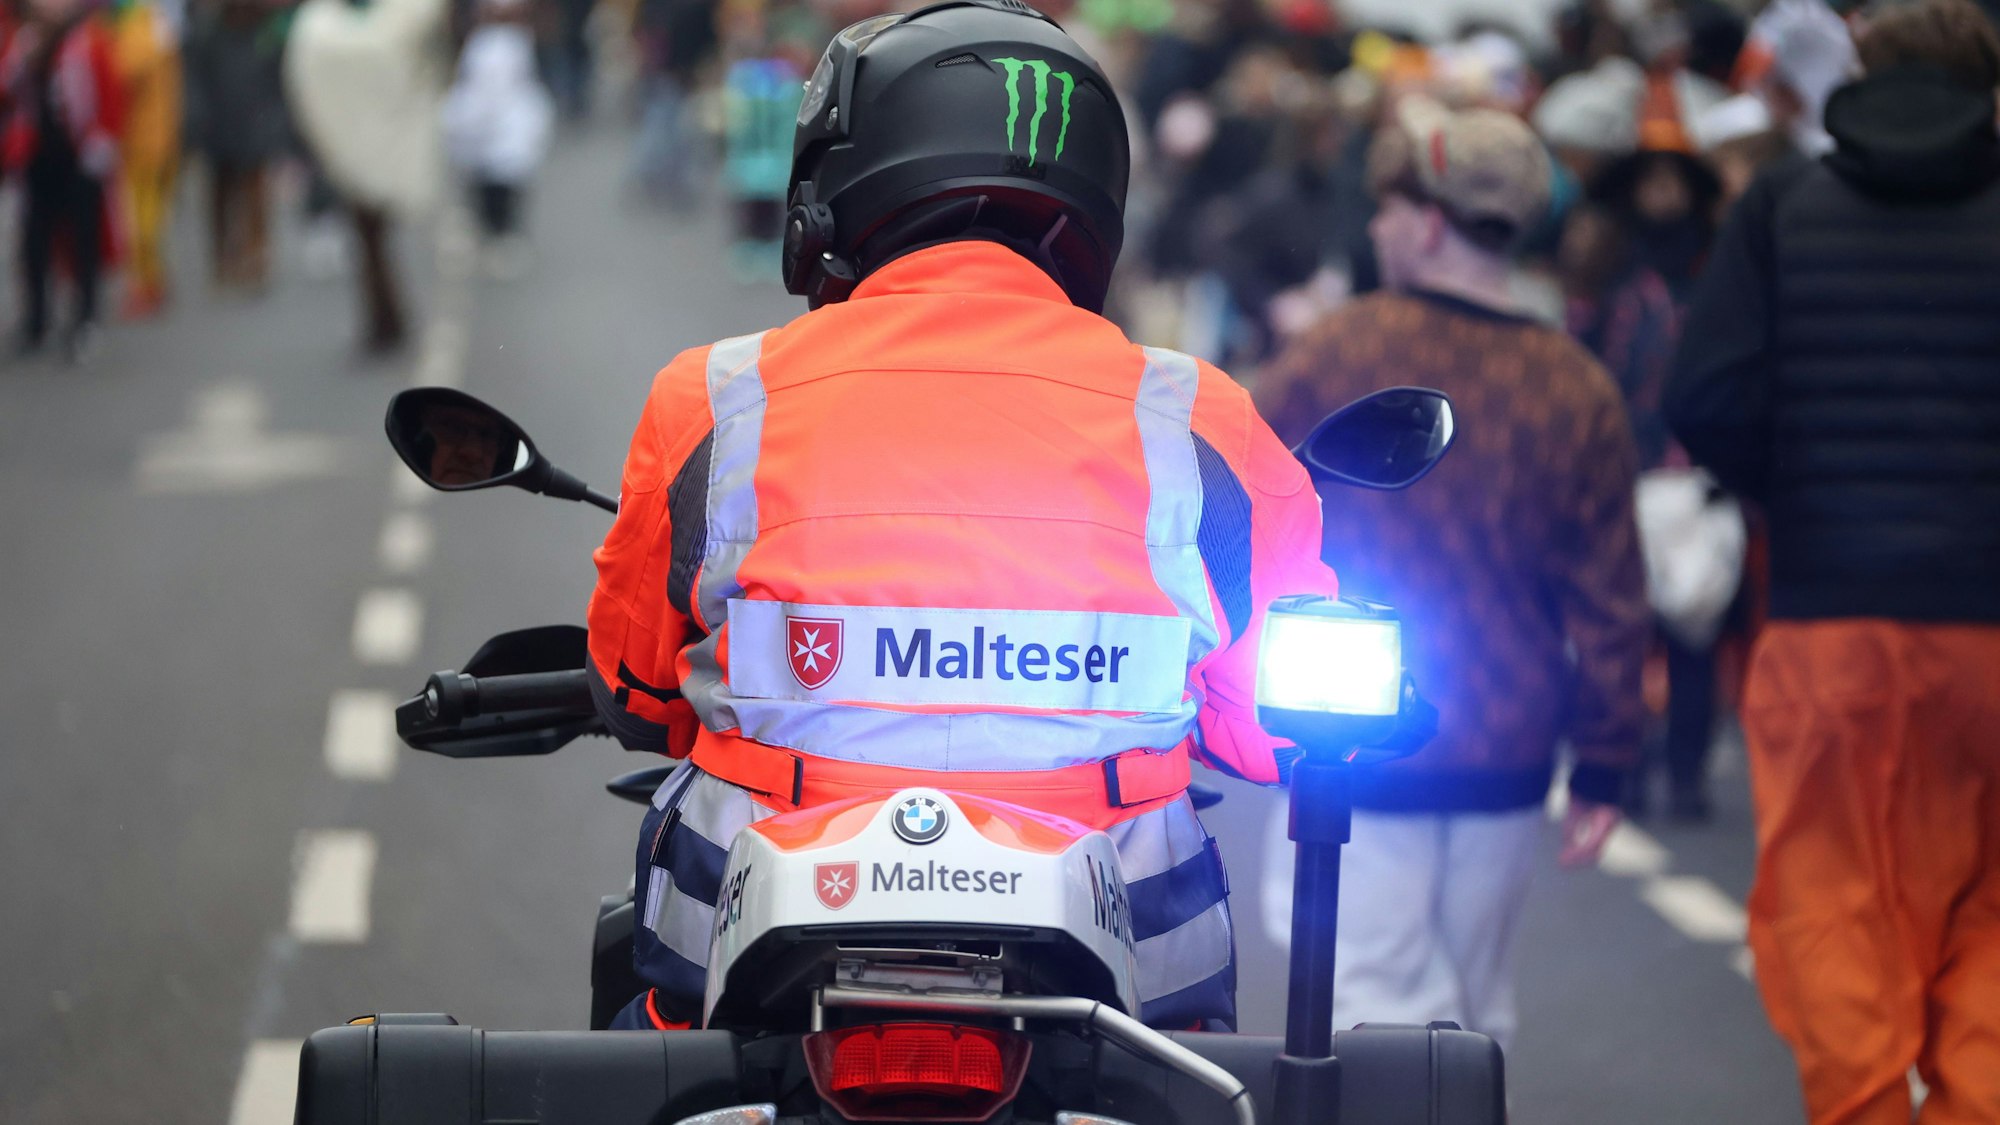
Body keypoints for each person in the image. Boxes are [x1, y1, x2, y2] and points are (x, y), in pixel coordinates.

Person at [586, 0, 1340, 1033]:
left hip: (751, 978)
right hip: (1130, 996)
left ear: (837, 188)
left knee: (638, 1053)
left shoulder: (716, 396)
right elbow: (1272, 733)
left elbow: (637, 686)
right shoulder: (1194, 415)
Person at [1254, 96, 1649, 1055]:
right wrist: (1605, 758)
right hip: (1509, 752)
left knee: (1377, 1001)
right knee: (1477, 1009)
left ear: (1427, 220)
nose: (1378, 226)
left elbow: (1242, 483)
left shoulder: (1346, 345)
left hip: (1352, 731)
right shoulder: (1575, 381)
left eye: (1387, 207)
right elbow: (1610, 596)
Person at [1664, 1, 2000, 1119]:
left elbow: (1704, 396)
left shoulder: (1783, 204)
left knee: (1831, 891)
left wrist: (1795, 489)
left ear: (1860, 71)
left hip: (1829, 617)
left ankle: (1861, 1106)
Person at [285, 0, 448, 354]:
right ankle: (386, 317)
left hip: (374, 147)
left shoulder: (385, 16)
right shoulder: (323, 23)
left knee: (371, 238)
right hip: (358, 147)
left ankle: (385, 319)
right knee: (371, 238)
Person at [1, 0, 122, 364]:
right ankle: (36, 321)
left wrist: (102, 144)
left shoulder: (89, 43)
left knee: (84, 245)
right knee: (33, 245)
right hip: (37, 161)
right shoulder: (24, 44)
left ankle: (85, 320)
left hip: (79, 160)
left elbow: (111, 97)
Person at [185, 0, 291, 293]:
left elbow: (277, 78)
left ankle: (256, 257)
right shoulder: (208, 31)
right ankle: (224, 260)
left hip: (255, 125)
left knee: (255, 194)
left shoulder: (265, 30)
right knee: (220, 196)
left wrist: (277, 123)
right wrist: (197, 122)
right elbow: (195, 80)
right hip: (218, 126)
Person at [442, 0, 553, 277]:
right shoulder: (498, 43)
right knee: (494, 192)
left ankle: (499, 238)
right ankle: (495, 236)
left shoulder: (500, 44)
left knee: (499, 193)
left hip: (500, 134)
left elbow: (498, 92)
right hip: (496, 134)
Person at [105, 0, 178, 317]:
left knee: (140, 219)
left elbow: (125, 70)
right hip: (152, 138)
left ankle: (147, 285)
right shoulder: (154, 24)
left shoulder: (141, 25)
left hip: (144, 140)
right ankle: (151, 281)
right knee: (146, 217)